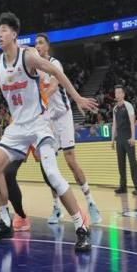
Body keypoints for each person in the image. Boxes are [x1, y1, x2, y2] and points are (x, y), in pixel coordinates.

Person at [0, 12, 97, 252]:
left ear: (14, 34)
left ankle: (81, 227)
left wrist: (77, 97)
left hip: (39, 123)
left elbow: (57, 73)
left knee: (52, 175)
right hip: (18, 127)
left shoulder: (28, 56)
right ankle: (5, 221)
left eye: (3, 30)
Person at [35, 33, 102, 224]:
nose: (37, 46)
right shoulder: (34, 69)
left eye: (41, 43)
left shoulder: (54, 64)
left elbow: (54, 87)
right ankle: (57, 208)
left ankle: (91, 202)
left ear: (47, 46)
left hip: (63, 116)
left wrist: (38, 100)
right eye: (35, 43)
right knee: (48, 166)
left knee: (70, 161)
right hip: (48, 120)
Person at [112, 86, 137, 195]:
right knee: (121, 164)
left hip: (128, 138)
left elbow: (132, 122)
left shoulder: (128, 105)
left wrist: (133, 137)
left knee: (132, 162)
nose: (117, 95)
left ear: (123, 94)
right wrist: (112, 139)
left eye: (119, 93)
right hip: (119, 139)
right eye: (115, 93)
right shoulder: (115, 108)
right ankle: (123, 187)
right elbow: (114, 124)